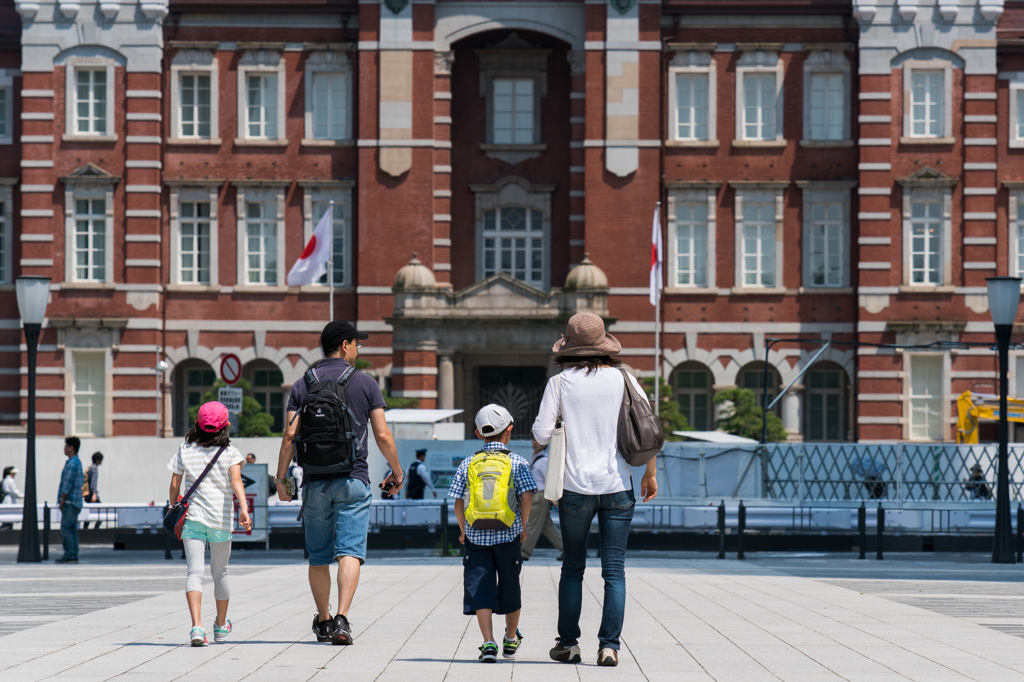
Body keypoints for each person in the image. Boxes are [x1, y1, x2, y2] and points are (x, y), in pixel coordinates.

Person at [532, 312, 658, 668]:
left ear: (567, 346)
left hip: (574, 488)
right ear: (605, 345)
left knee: (573, 567)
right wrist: (649, 474)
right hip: (619, 485)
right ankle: (609, 647)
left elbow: (541, 435)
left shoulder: (560, 383)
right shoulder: (625, 379)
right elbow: (648, 431)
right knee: (614, 569)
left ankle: (569, 644)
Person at [276, 319, 404, 646]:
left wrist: (281, 480)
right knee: (349, 551)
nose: (358, 350)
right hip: (354, 479)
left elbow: (290, 434)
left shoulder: (303, 384)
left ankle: (323, 620)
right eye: (357, 344)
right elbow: (382, 434)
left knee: (319, 555)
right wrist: (397, 471)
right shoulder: (366, 383)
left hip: (314, 483)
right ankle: (343, 620)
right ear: (345, 345)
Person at [450, 404, 537, 663]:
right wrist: (521, 526)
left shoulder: (468, 463)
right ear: (509, 430)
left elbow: (457, 501)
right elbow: (527, 497)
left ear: (479, 433)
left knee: (481, 588)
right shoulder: (517, 462)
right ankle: (510, 638)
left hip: (476, 537)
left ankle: (488, 643)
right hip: (508, 535)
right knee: (510, 585)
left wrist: (464, 530)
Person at [168, 401, 252, 647]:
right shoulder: (230, 453)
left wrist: (174, 505)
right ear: (226, 426)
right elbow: (237, 481)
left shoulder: (185, 449)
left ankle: (196, 627)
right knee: (220, 572)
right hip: (221, 519)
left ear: (198, 424)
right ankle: (221, 626)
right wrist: (244, 509)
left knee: (194, 573)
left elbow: (175, 484)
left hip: (192, 518)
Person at [520, 439, 563, 562]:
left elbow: (550, 480)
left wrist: (554, 499)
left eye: (538, 441)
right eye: (533, 440)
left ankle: (524, 553)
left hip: (540, 496)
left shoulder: (543, 460)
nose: (534, 443)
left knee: (533, 524)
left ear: (545, 444)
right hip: (538, 496)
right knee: (546, 526)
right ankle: (568, 549)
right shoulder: (536, 458)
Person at [56, 437, 85, 564]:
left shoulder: (72, 463)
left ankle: (70, 554)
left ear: (71, 448)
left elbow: (67, 484)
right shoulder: (77, 462)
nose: (64, 448)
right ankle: (73, 553)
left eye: (66, 446)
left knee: (65, 528)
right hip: (76, 501)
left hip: (70, 501)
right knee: (72, 529)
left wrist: (62, 499)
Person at [83, 452, 103, 530]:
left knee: (88, 513)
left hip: (87, 495)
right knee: (102, 512)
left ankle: (85, 529)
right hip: (92, 495)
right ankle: (95, 529)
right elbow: (93, 483)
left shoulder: (89, 468)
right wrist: (94, 494)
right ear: (97, 460)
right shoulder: (95, 469)